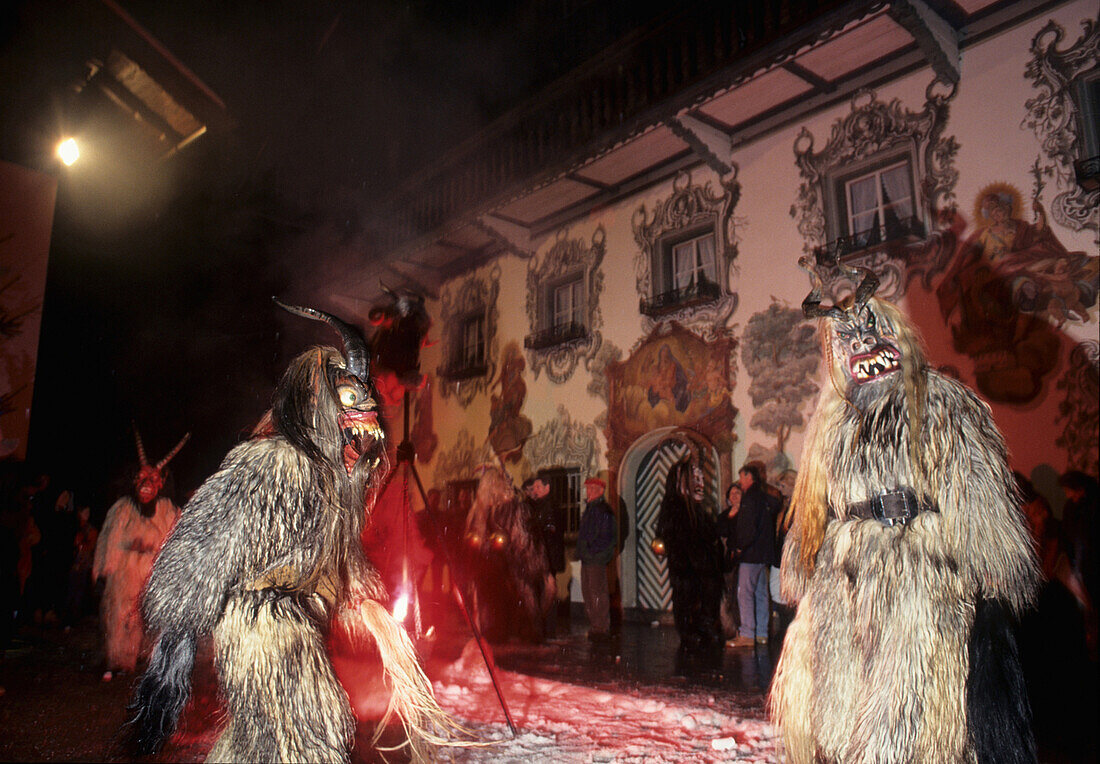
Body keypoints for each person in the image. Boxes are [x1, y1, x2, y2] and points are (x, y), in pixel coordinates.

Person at [129, 302, 457, 762]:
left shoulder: (332, 486)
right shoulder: (269, 464)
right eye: (349, 419)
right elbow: (202, 542)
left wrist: (364, 603)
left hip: (296, 624)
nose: (357, 445)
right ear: (320, 409)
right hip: (261, 627)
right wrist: (176, 642)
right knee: (315, 725)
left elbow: (337, 561)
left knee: (268, 742)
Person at [770, 260, 1038, 763]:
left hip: (919, 574)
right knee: (839, 718)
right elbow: (814, 512)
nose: (861, 343)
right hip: (841, 582)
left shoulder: (941, 402)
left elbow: (976, 489)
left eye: (869, 329)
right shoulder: (831, 422)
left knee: (905, 724)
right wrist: (805, 570)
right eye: (846, 337)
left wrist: (994, 576)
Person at [93, 429, 187, 681]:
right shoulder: (122, 508)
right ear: (134, 479)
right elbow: (107, 540)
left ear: (162, 483)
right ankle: (117, 660)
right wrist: (104, 571)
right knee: (118, 613)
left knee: (142, 617)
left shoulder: (168, 510)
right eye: (143, 476)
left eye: (154, 478)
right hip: (123, 572)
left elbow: (175, 544)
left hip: (149, 572)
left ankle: (137, 658)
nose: (147, 483)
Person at [657, 458, 723, 650]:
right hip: (685, 566)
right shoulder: (674, 508)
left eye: (701, 478)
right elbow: (667, 536)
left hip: (704, 566)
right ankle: (688, 632)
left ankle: (706, 627)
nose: (700, 483)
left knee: (708, 596)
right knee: (685, 597)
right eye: (695, 478)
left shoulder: (700, 508)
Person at [726, 464, 776, 648]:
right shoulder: (764, 497)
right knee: (761, 594)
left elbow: (747, 528)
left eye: (741, 478)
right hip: (763, 556)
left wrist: (740, 547)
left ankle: (747, 634)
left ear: (749, 477)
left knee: (745, 594)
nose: (740, 482)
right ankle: (761, 634)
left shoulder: (749, 499)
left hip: (750, 555)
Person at [576, 476, 615, 641]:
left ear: (600, 492)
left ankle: (601, 627)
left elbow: (607, 536)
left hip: (594, 559)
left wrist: (591, 551)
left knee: (596, 592)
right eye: (588, 488)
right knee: (589, 592)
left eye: (592, 489)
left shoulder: (602, 510)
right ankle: (596, 626)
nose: (588, 491)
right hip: (588, 558)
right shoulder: (592, 509)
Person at [524, 476, 564, 638]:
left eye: (538, 487)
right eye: (534, 488)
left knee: (548, 592)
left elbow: (551, 530)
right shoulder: (538, 506)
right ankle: (542, 628)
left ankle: (548, 630)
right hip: (540, 558)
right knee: (541, 591)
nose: (535, 490)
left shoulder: (551, 506)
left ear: (547, 488)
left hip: (548, 557)